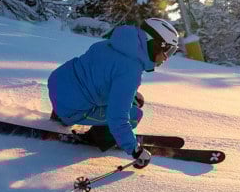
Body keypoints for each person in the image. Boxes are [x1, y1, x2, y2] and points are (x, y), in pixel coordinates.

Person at [46, 17, 179, 169]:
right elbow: (117, 117)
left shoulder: (115, 43)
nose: (166, 57)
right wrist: (134, 150)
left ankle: (59, 113)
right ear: (155, 44)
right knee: (135, 115)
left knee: (135, 100)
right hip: (72, 108)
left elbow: (98, 75)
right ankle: (94, 139)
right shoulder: (130, 70)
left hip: (58, 84)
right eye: (168, 50)